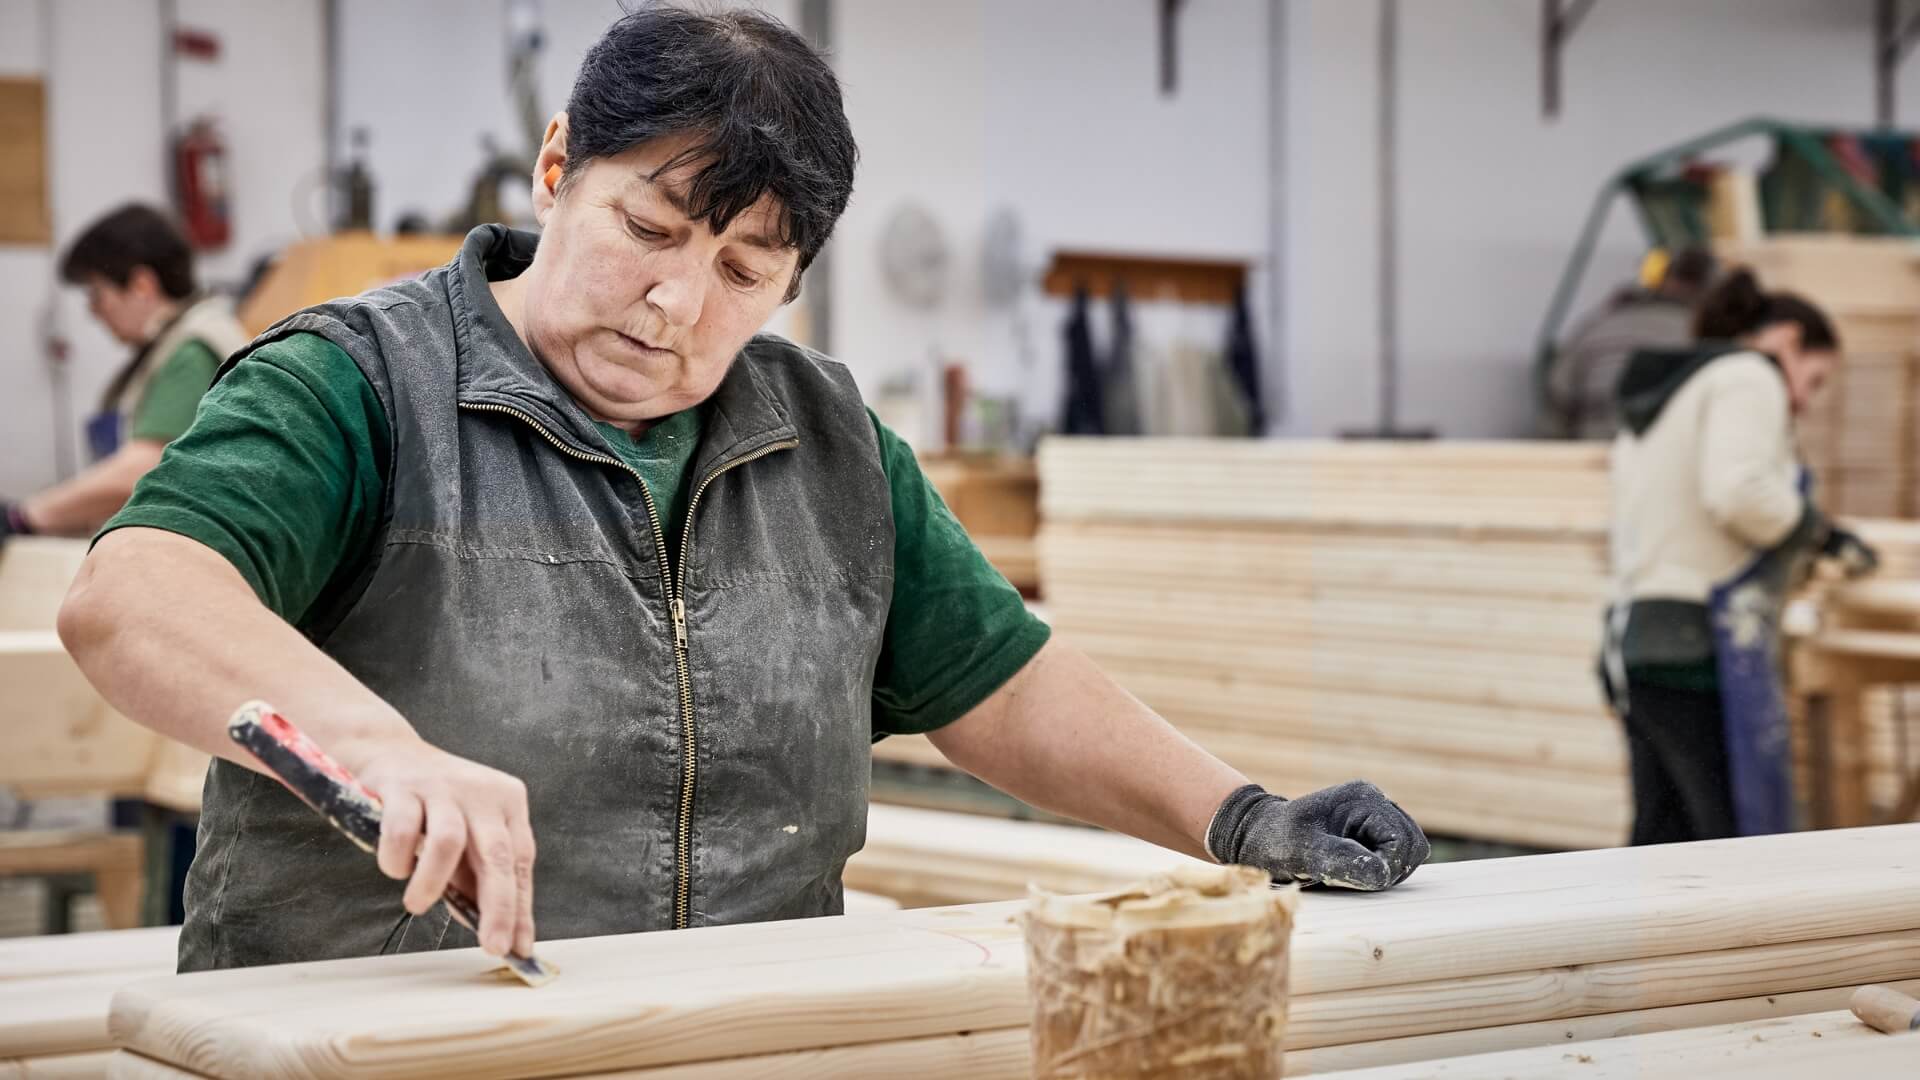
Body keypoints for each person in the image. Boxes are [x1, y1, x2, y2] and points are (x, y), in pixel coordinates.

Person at [57, 5, 1429, 973]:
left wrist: (1243, 817)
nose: (672, 301)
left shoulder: (829, 445)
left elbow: (1004, 684)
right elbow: (134, 596)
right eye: (644, 229)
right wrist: (380, 747)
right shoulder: (357, 382)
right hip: (378, 1047)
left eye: (741, 273)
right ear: (555, 169)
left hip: (728, 1039)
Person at [1602, 269, 1878, 846]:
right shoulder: (1749, 377)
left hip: (1640, 642)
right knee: (1734, 848)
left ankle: (1651, 940)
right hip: (1700, 643)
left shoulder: (1675, 390)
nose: (1802, 400)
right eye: (1814, 379)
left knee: (1662, 844)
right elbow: (1738, 492)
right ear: (1789, 341)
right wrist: (1816, 532)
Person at [1, 205, 250, 541]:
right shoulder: (168, 346)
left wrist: (25, 516)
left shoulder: (192, 351)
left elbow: (143, 468)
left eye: (97, 294)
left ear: (142, 285)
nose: (94, 311)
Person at [1539, 248, 1717, 441]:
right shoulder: (1702, 334)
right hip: (1660, 453)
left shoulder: (1596, 324)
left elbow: (1557, 401)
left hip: (1595, 447)